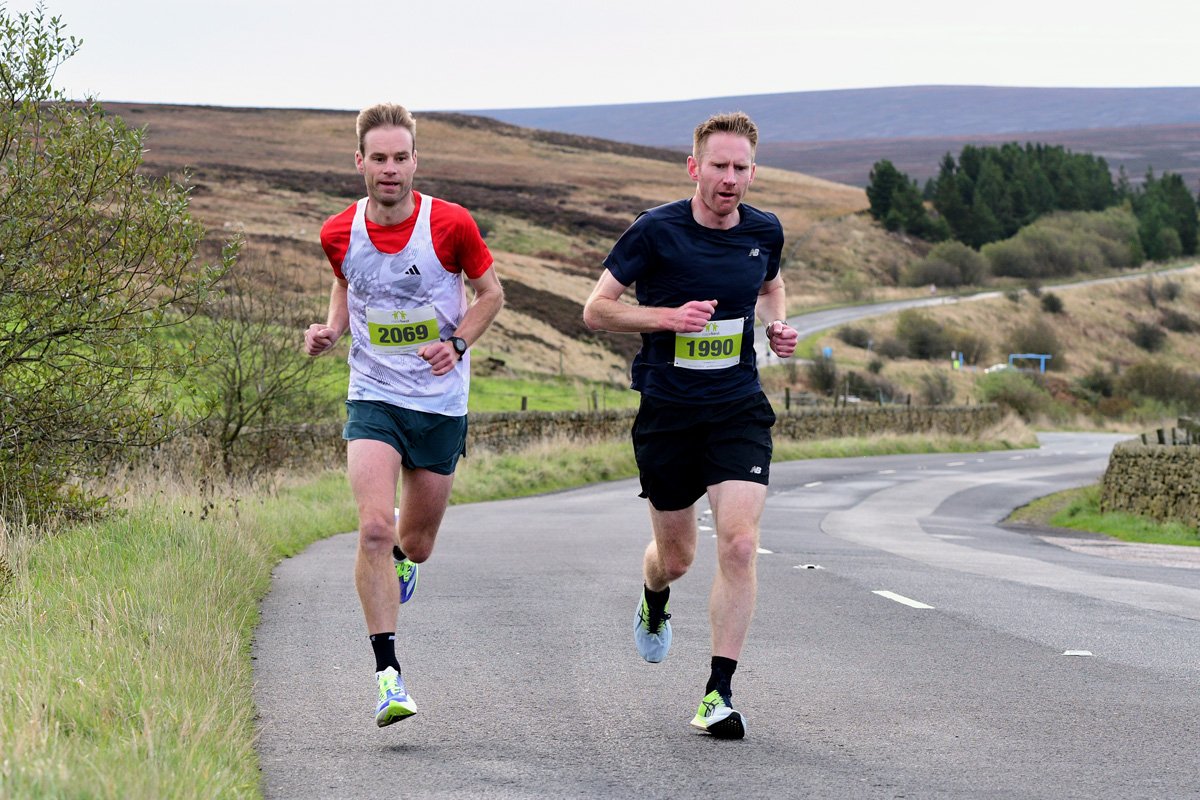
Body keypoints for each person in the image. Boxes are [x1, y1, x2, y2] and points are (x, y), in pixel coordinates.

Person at [582, 111, 798, 740]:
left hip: (736, 408)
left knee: (738, 543)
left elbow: (772, 285)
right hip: (669, 414)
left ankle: (718, 693)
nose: (729, 179)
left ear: (753, 171)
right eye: (718, 166)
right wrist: (666, 319)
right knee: (677, 558)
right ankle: (654, 598)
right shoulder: (656, 231)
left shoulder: (764, 230)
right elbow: (596, 311)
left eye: (740, 168)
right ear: (694, 167)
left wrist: (777, 326)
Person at [304, 103, 503, 728]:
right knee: (370, 528)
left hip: (439, 402)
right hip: (374, 394)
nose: (390, 170)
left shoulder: (452, 225)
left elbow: (491, 293)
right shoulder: (338, 231)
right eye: (378, 158)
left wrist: (458, 343)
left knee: (413, 543)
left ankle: (400, 562)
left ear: (416, 160)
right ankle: (388, 677)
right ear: (359, 162)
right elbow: (346, 281)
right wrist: (333, 330)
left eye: (401, 158)